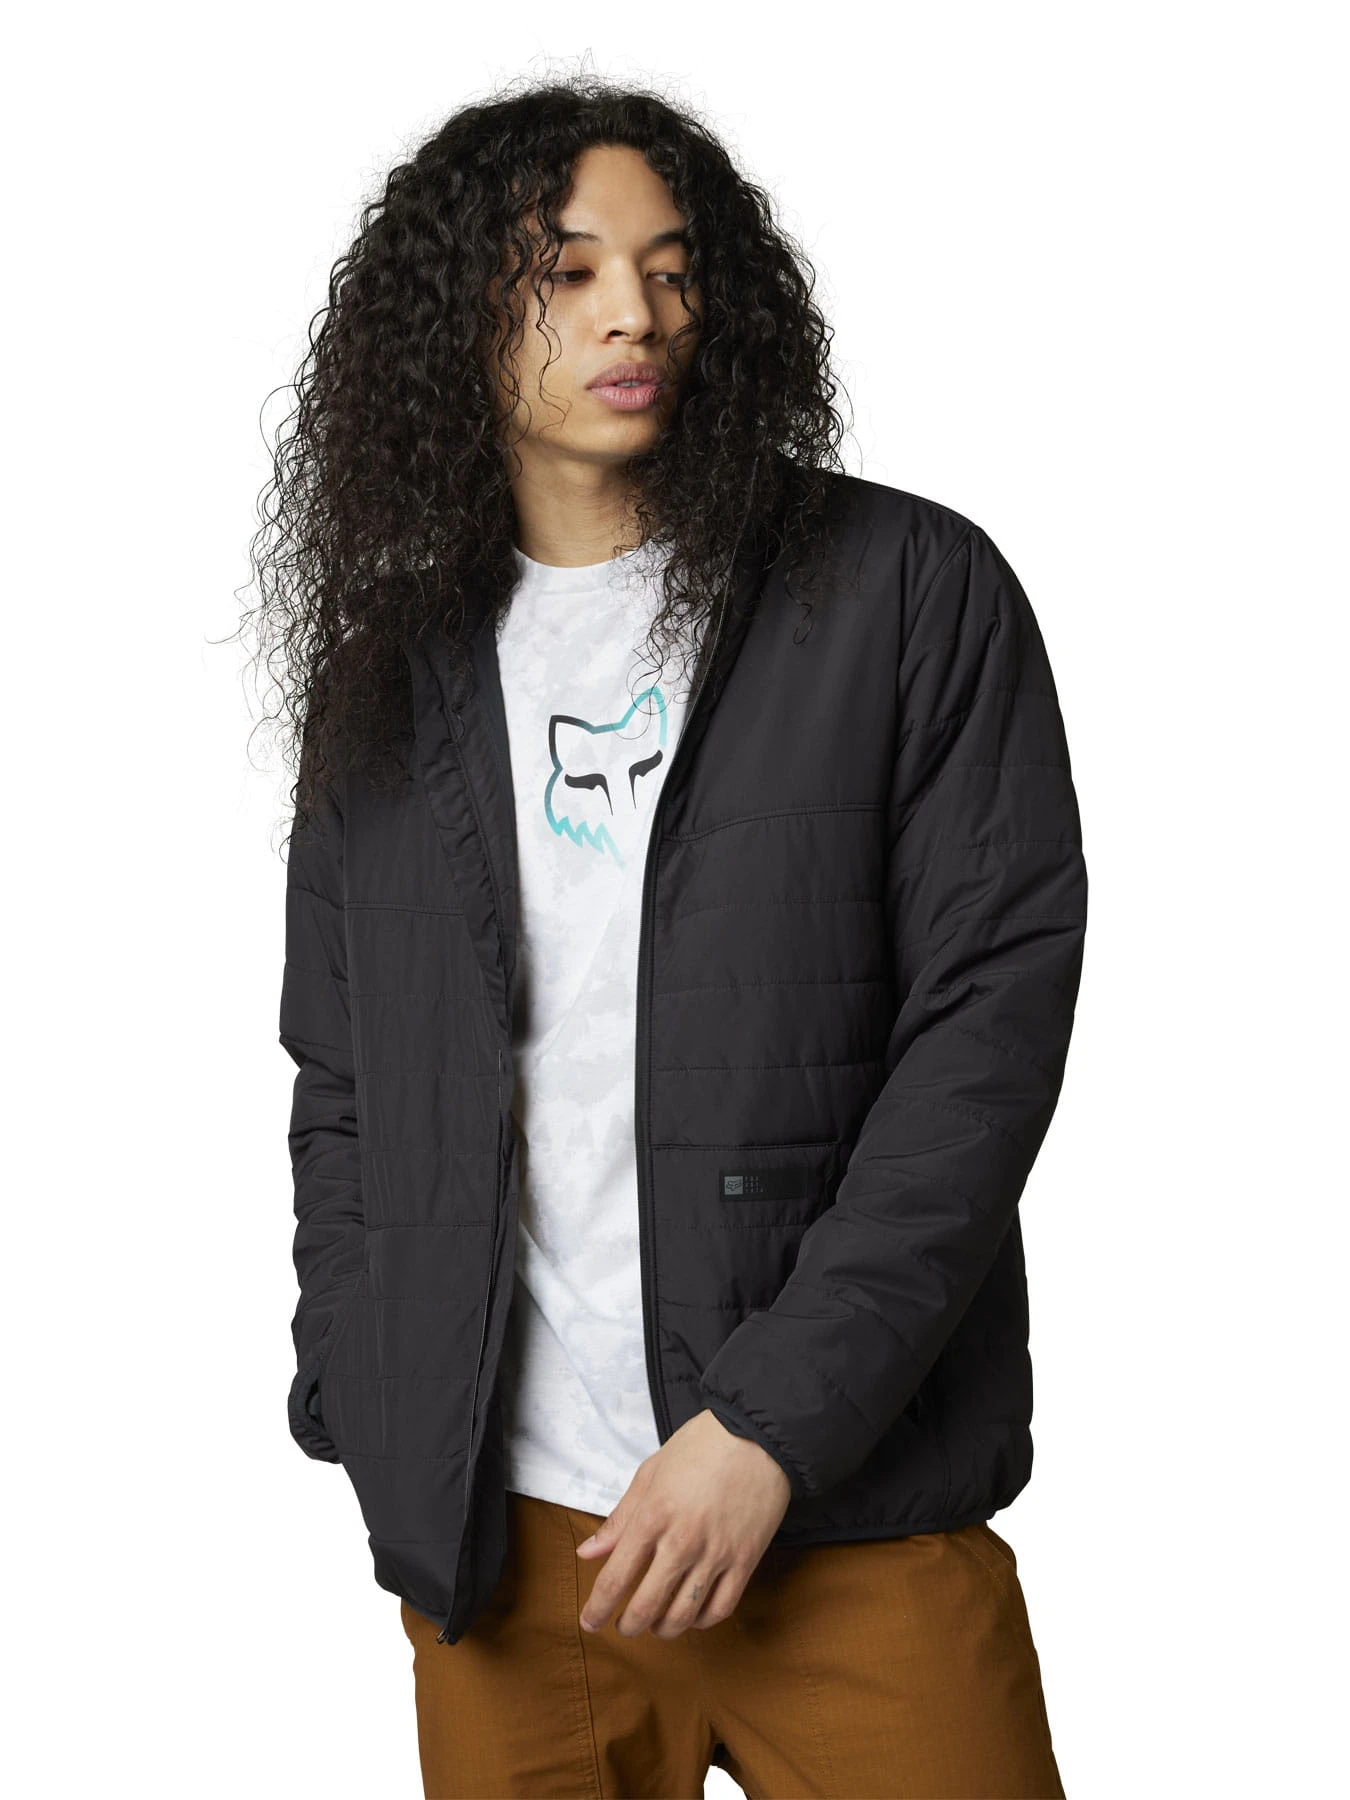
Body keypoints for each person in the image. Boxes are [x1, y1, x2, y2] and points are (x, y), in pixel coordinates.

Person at [249, 72, 1088, 1800]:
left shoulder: (903, 592)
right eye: (564, 272)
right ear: (450, 317)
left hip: (844, 1517)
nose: (632, 312)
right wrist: (370, 1387)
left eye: (672, 267)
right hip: (505, 1551)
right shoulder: (392, 671)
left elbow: (983, 1041)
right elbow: (343, 1077)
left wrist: (769, 1425)